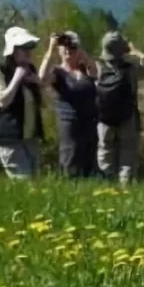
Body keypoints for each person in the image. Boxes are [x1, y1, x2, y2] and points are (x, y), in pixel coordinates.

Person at [96, 31, 144, 186]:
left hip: (104, 119)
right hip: (128, 118)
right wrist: (137, 53)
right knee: (127, 154)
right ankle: (125, 185)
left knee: (105, 151)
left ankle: (106, 184)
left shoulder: (97, 68)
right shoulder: (131, 69)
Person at [38, 31, 99, 179]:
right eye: (64, 47)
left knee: (88, 157)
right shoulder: (57, 72)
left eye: (72, 47)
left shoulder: (86, 70)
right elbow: (41, 80)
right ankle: (68, 183)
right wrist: (51, 49)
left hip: (89, 122)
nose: (68, 50)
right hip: (69, 122)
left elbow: (96, 73)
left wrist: (80, 51)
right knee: (70, 156)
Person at [0, 26, 46, 180]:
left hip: (30, 138)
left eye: (30, 46)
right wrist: (16, 79)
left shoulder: (30, 70)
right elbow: (2, 101)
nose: (29, 51)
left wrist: (37, 82)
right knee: (24, 182)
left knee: (35, 184)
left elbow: (39, 103)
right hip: (10, 139)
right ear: (12, 50)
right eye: (24, 47)